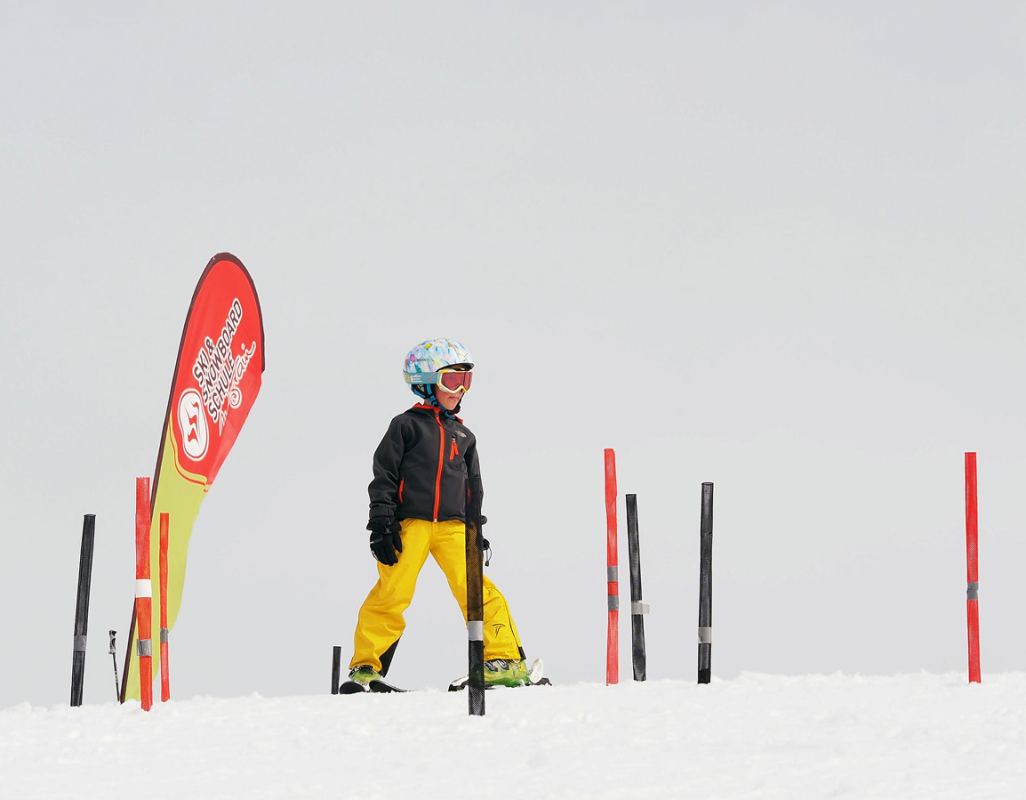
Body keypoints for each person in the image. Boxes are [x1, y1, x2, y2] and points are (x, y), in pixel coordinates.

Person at [344, 338, 534, 691]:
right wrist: (382, 522)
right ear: (426, 382)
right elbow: (384, 474)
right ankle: (366, 669)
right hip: (410, 523)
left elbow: (473, 489)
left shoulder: (464, 435)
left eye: (466, 381)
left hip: (453, 527)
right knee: (392, 592)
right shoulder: (406, 425)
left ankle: (503, 659)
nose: (459, 389)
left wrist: (476, 530)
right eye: (451, 380)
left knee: (477, 588)